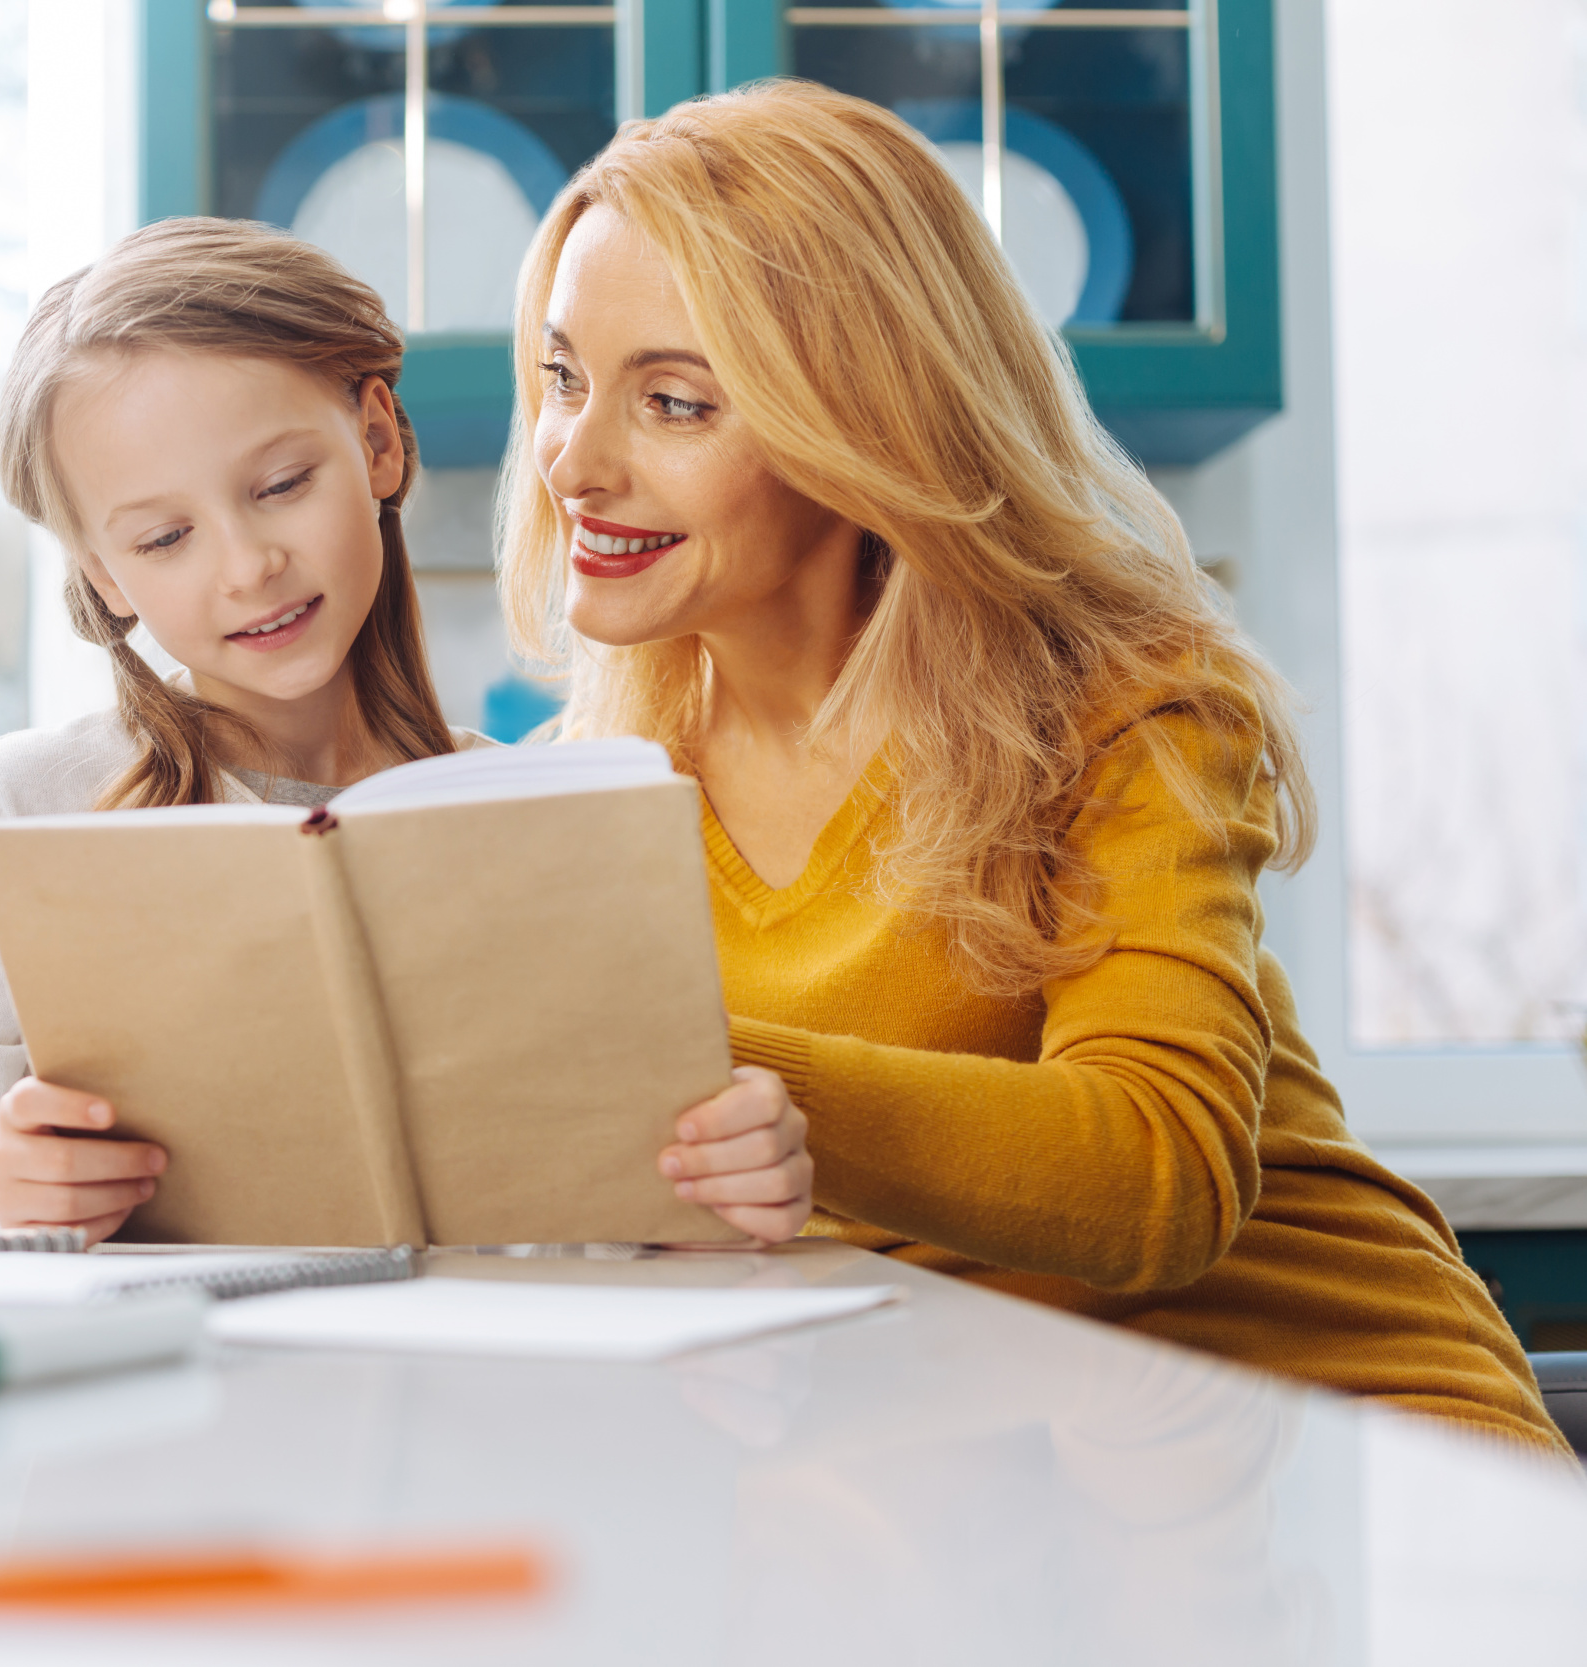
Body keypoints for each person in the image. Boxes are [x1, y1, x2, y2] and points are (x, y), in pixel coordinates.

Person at [499, 81, 1564, 1451]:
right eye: (564, 378)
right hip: (978, 1454)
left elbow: (1155, 1172)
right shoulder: (576, 795)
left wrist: (690, 1067)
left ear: (859, 421)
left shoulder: (1126, 708)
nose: (575, 459)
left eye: (674, 402)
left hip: (1330, 1422)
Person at [0, 218, 816, 1248]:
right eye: (164, 537)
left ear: (376, 442)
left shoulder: (533, 811)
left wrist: (730, 1176)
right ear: (107, 577)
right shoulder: (27, 803)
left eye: (281, 486)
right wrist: (4, 1188)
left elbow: (620, 1203)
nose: (247, 565)